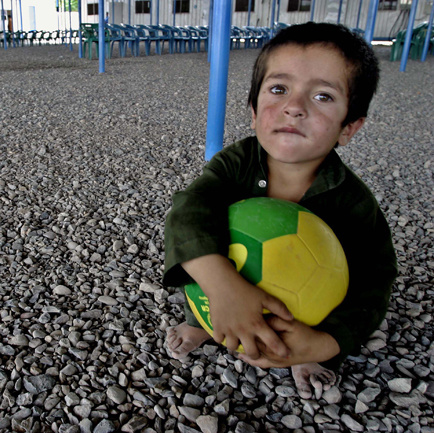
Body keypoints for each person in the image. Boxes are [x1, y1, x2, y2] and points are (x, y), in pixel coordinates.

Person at [164, 22, 397, 399]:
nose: (294, 107)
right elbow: (188, 210)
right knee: (198, 242)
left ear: (348, 128)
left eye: (322, 96)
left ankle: (305, 353)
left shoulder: (352, 201)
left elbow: (376, 277)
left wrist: (326, 342)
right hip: (223, 288)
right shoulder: (235, 164)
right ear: (254, 113)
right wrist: (223, 287)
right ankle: (204, 323)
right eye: (278, 89)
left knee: (331, 315)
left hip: (308, 308)